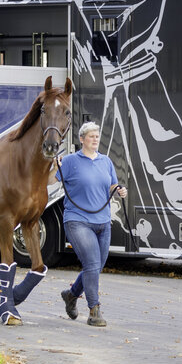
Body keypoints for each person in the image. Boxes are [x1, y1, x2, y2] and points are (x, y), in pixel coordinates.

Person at [56, 121, 127, 327]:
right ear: (81, 139)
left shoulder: (106, 161)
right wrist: (52, 165)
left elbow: (112, 184)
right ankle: (94, 311)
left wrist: (119, 189)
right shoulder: (69, 161)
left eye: (97, 136)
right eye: (91, 136)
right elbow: (51, 180)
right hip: (78, 220)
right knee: (93, 264)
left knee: (96, 266)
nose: (95, 139)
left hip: (103, 221)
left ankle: (71, 295)